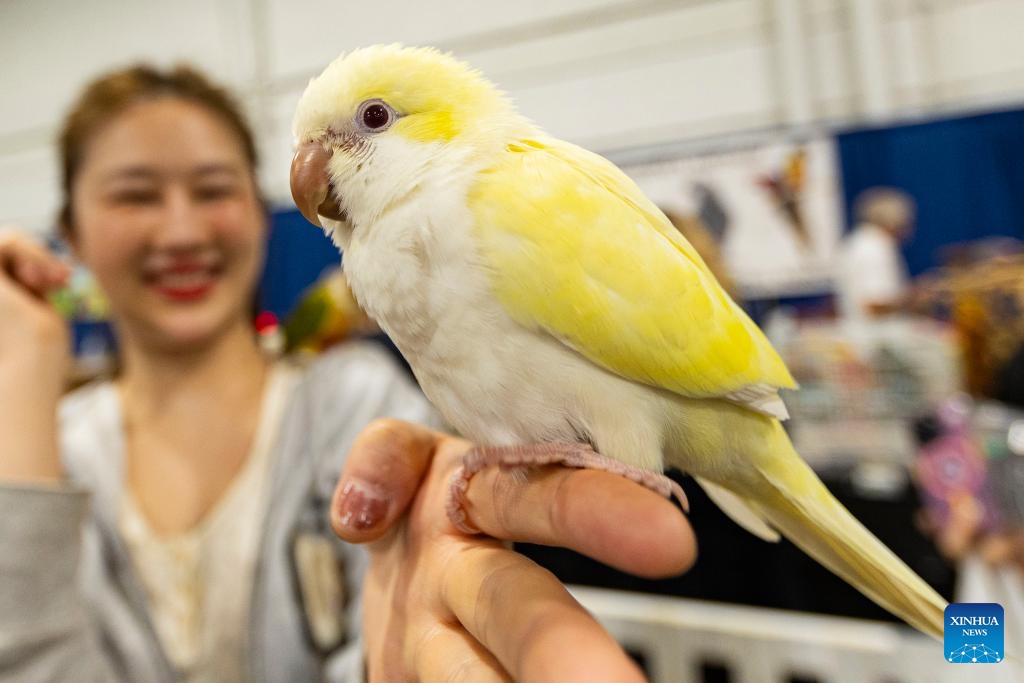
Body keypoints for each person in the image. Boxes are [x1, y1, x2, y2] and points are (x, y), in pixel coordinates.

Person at [0, 65, 696, 681]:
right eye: (136, 195)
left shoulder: (361, 401)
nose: (182, 231)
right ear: (71, 227)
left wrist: (389, 637)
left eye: (214, 189)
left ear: (258, 210)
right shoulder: (38, 445)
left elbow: (411, 604)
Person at [835, 187, 916, 322]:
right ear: (894, 222)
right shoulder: (876, 247)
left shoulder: (858, 242)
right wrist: (917, 298)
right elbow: (875, 305)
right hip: (878, 335)